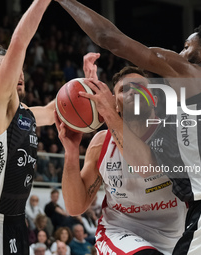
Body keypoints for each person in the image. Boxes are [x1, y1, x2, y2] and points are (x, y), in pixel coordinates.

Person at [54, 1, 201, 253]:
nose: (181, 54)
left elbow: (110, 39)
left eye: (187, 47)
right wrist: (93, 90)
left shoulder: (194, 77)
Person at [55, 55, 186, 254]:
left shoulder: (175, 133)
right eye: (124, 90)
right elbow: (75, 207)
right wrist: (71, 152)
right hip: (120, 231)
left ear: (155, 100)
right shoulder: (101, 144)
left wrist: (108, 114)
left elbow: (145, 167)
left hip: (175, 237)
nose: (133, 91)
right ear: (114, 103)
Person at [0, 0, 55, 254]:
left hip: (16, 222)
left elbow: (54, 111)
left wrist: (86, 84)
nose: (19, 72)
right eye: (11, 67)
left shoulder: (26, 114)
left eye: (19, 67)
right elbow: (19, 43)